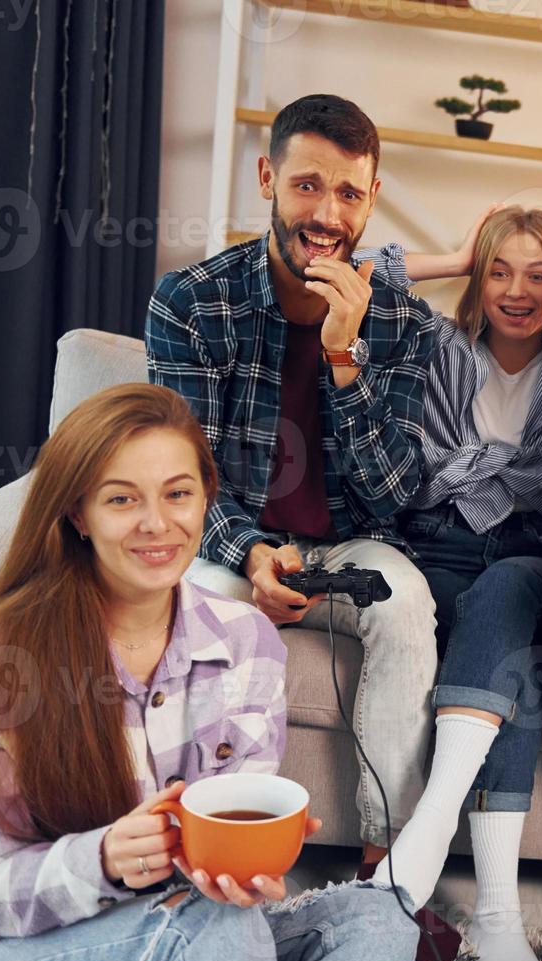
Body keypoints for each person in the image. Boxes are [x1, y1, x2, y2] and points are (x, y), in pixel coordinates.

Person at [0, 384, 416, 961]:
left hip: (186, 923)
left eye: (178, 494)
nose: (157, 524)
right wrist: (102, 858)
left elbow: (227, 832)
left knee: (379, 919)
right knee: (221, 932)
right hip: (28, 948)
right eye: (122, 499)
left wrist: (245, 859)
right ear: (79, 513)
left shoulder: (246, 642)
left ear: (206, 498)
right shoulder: (3, 662)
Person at [143, 94, 442, 913]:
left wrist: (344, 357)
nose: (327, 214)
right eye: (308, 186)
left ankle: (385, 878)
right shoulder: (192, 302)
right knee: (184, 610)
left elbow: (392, 495)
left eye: (349, 193)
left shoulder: (406, 323)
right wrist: (248, 552)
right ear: (269, 178)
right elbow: (182, 478)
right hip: (231, 544)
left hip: (349, 550)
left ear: (371, 199)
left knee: (409, 605)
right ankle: (204, 858)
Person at [350, 199, 542, 961]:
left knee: (511, 586)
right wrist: (457, 256)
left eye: (536, 275)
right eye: (500, 270)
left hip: (534, 546)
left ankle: (430, 838)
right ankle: (500, 915)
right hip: (438, 538)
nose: (517, 290)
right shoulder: (436, 344)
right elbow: (344, 273)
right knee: (513, 670)